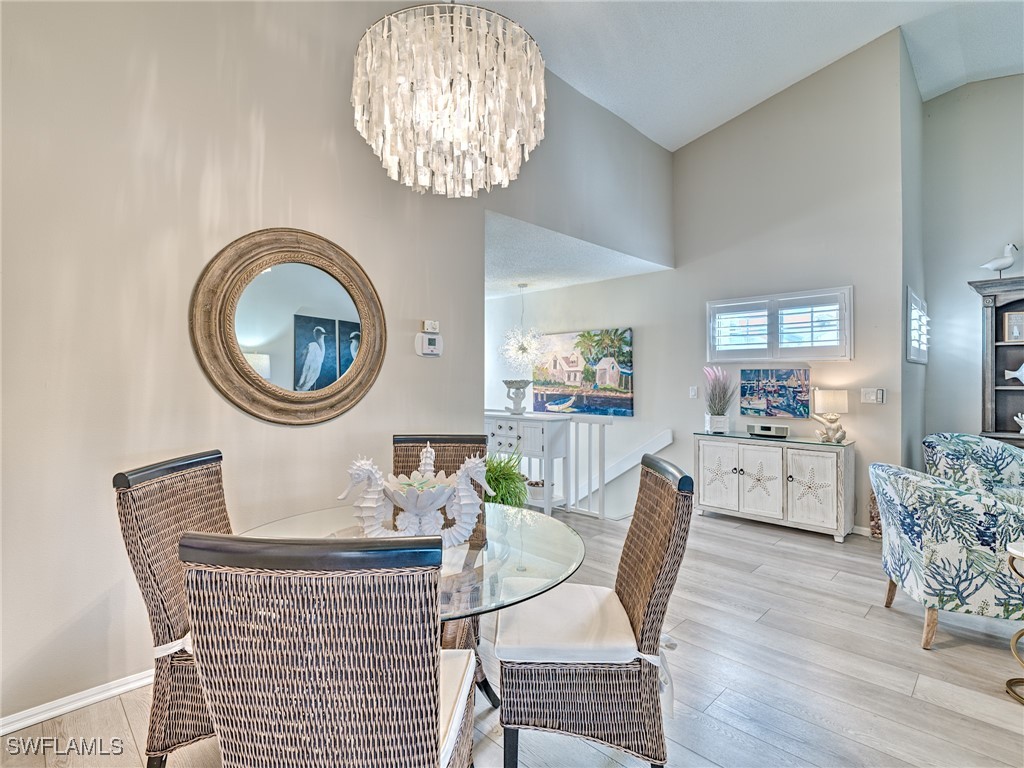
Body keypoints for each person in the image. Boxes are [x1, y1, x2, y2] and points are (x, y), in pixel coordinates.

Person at [296, 326, 327, 391]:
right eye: (320, 332)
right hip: (303, 385)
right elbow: (305, 368)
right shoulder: (313, 347)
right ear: (316, 333)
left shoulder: (315, 348)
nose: (322, 334)